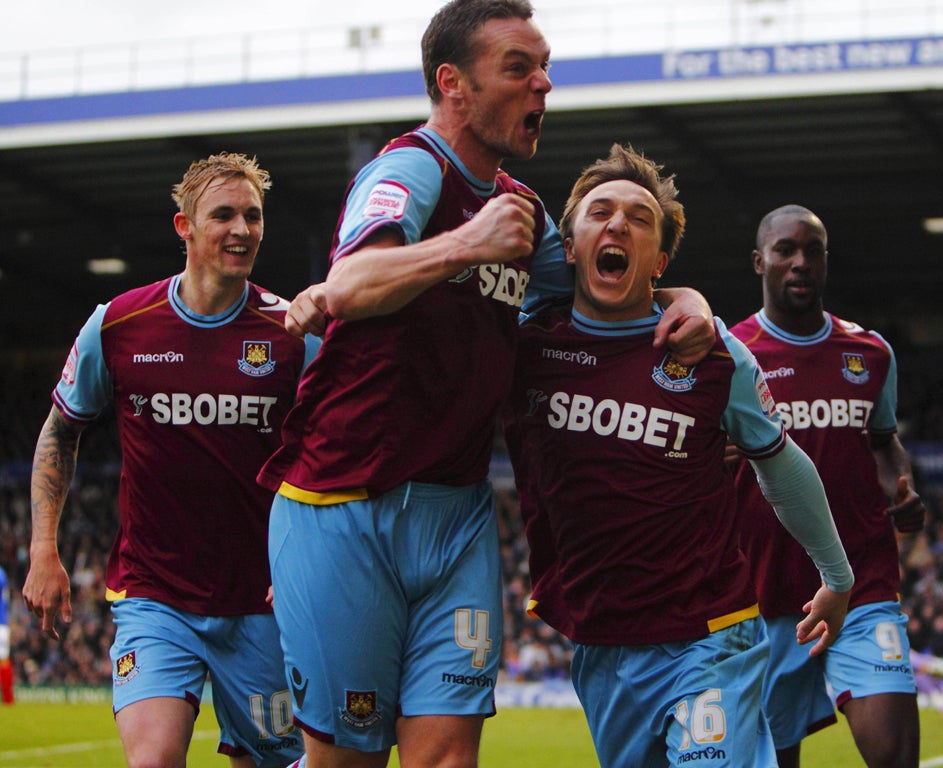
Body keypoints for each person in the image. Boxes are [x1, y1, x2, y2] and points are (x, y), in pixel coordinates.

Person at [258, 3, 714, 767]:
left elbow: (606, 289)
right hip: (343, 506)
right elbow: (349, 283)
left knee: (447, 758)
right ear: (453, 84)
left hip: (458, 516)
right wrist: (465, 245)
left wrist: (687, 301)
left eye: (545, 68)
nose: (542, 83)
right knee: (347, 761)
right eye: (518, 67)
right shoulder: (410, 168)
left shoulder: (524, 213)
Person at [501, 144, 854, 768]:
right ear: (570, 247)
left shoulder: (714, 355)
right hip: (600, 641)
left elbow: (780, 463)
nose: (617, 225)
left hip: (711, 630)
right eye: (600, 212)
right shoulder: (523, 346)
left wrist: (837, 574)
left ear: (659, 260)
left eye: (639, 218)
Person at [22, 153, 317, 768]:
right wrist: (43, 549)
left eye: (253, 216)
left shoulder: (292, 332)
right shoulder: (119, 324)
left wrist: (315, 561)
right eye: (224, 215)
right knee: (153, 759)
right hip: (155, 598)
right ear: (184, 226)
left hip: (263, 603)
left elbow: (335, 451)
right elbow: (59, 432)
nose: (241, 229)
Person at [730, 204, 927, 768]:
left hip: (861, 583)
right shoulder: (730, 358)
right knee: (775, 760)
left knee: (895, 756)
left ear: (825, 262)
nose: (799, 263)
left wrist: (901, 489)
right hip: (766, 596)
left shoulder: (869, 353)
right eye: (785, 250)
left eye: (812, 251)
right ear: (758, 262)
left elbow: (885, 443)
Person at [0, 564, 12, 704]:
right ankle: (8, 698)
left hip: (0, 624)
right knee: (3, 660)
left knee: (3, 661)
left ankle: (8, 698)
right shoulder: (2, 573)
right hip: (2, 623)